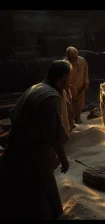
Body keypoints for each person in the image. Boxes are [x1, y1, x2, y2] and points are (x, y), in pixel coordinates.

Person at [0, 60, 71, 220]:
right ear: (63, 77)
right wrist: (63, 159)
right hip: (34, 157)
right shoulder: (51, 97)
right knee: (42, 197)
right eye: (69, 77)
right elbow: (55, 136)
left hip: (16, 152)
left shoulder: (35, 88)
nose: (70, 80)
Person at [64, 46, 90, 124]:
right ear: (67, 55)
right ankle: (71, 120)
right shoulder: (64, 64)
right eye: (71, 54)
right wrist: (67, 85)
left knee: (80, 103)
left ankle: (78, 117)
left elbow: (86, 72)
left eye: (75, 54)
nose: (73, 56)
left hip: (80, 86)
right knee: (70, 103)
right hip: (69, 87)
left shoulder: (82, 61)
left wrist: (86, 81)